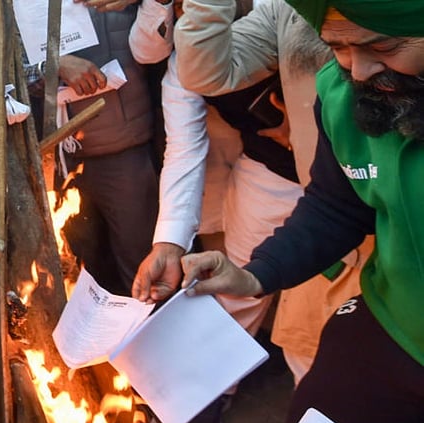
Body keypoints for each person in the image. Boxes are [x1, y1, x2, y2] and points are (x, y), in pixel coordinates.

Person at [176, 3, 424, 423]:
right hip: (396, 326)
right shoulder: (341, 94)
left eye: (383, 46)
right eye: (339, 48)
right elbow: (337, 205)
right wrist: (257, 275)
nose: (360, 70)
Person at [144, 0, 371, 388]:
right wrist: (169, 241)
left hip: (375, 197)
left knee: (359, 333)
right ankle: (206, 398)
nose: (359, 65)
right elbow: (200, 85)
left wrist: (308, 130)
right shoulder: (279, 16)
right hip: (288, 181)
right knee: (264, 309)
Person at [29, 0, 160, 296]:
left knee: (141, 273)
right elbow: (3, 75)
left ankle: (148, 339)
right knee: (75, 274)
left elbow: (161, 32)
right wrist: (51, 65)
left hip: (124, 147)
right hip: (55, 159)